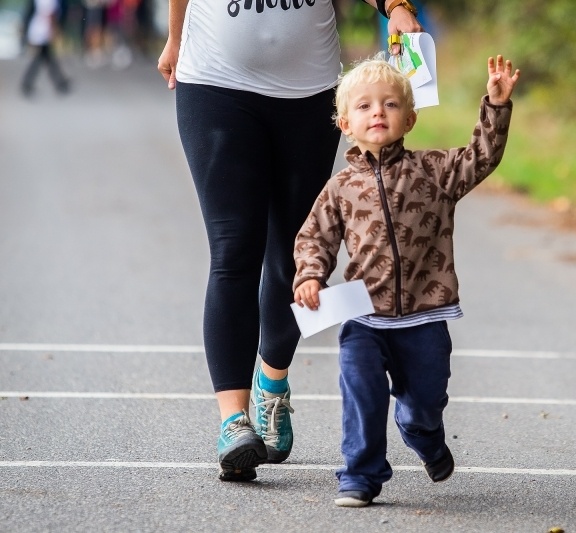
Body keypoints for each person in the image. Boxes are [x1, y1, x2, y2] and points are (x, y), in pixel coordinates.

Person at [156, 0, 422, 482]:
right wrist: (176, 38)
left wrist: (395, 7)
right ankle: (233, 423)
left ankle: (272, 381)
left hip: (308, 93)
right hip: (215, 82)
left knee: (296, 256)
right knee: (233, 250)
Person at [293, 54, 520, 507]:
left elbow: (481, 158)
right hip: (364, 316)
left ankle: (423, 434)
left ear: (410, 119)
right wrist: (311, 276)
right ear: (345, 124)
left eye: (391, 104)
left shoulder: (434, 171)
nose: (378, 112)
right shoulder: (339, 188)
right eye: (364, 106)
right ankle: (360, 474)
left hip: (426, 316)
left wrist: (495, 107)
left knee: (424, 403)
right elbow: (314, 237)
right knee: (362, 393)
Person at [20, 0, 71, 97]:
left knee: (45, 57)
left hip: (46, 29)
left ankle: (59, 82)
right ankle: (60, 83)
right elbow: (33, 12)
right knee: (45, 57)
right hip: (41, 29)